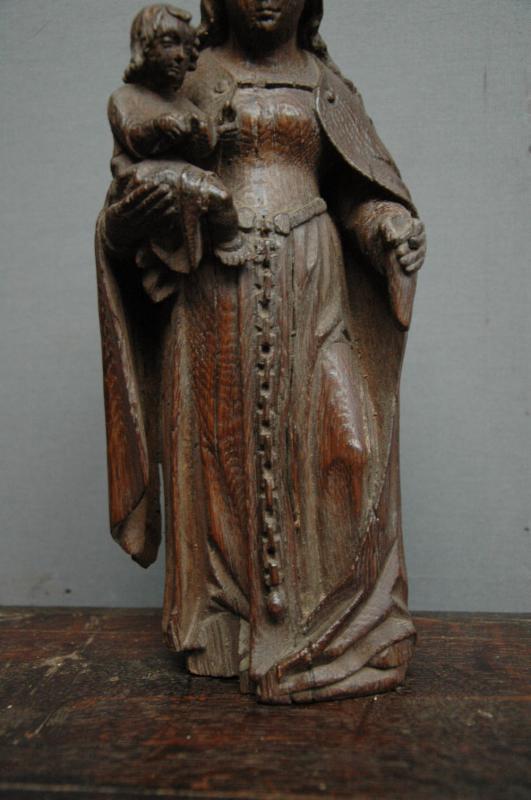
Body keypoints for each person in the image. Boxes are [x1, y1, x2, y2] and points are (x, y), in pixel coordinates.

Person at [96, 0, 427, 704]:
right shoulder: (187, 78)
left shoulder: (326, 85)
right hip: (215, 288)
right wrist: (128, 223)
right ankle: (229, 622)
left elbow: (355, 193)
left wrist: (387, 226)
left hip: (314, 281)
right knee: (219, 455)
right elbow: (129, 195)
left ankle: (342, 631)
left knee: (350, 446)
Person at [106, 4, 248, 301]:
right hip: (144, 178)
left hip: (181, 178)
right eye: (170, 43)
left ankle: (211, 249)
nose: (180, 55)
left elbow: (202, 146)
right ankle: (225, 245)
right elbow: (134, 137)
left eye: (186, 47)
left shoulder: (182, 101)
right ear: (144, 47)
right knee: (214, 196)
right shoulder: (126, 97)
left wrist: (216, 134)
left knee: (215, 196)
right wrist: (158, 125)